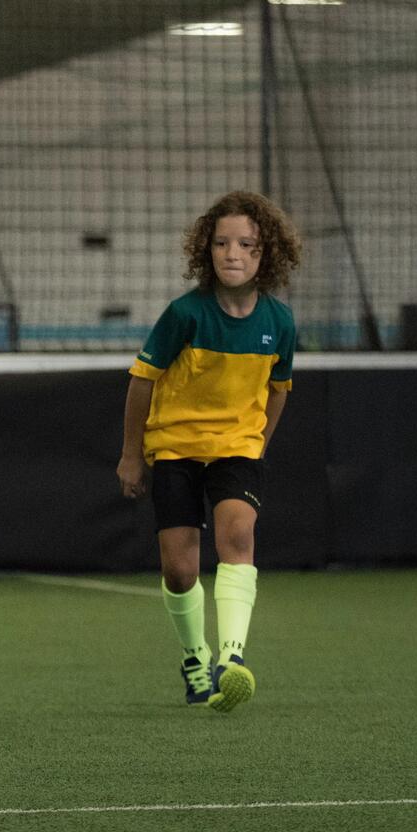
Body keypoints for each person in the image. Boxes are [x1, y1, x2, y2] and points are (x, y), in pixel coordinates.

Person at [117, 190, 301, 714]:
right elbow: (141, 382)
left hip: (237, 447)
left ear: (268, 255)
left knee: (237, 534)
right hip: (176, 447)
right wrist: (132, 455)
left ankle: (230, 658)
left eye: (247, 244)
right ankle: (195, 655)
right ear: (206, 250)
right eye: (222, 243)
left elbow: (279, 389)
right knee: (180, 570)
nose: (233, 254)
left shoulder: (280, 322)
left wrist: (257, 447)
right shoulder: (184, 315)